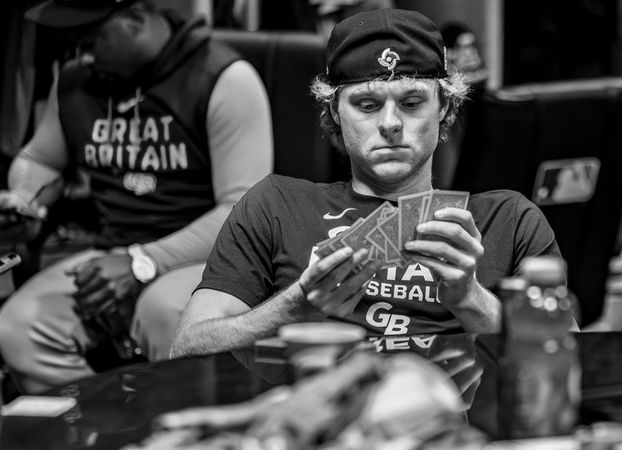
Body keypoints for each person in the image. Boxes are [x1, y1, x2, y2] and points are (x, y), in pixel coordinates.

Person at [170, 8, 560, 358]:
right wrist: (295, 307)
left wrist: (469, 297)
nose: (390, 124)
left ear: (444, 107)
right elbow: (186, 347)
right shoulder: (276, 206)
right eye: (367, 105)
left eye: (411, 103)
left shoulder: (508, 219)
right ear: (333, 111)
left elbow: (566, 352)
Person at [0, 0, 273, 393]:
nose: (82, 54)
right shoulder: (78, 79)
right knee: (19, 328)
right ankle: (105, 429)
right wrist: (28, 198)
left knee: (164, 312)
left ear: (135, 18)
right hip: (116, 249)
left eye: (92, 39)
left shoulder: (224, 78)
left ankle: (192, 429)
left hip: (210, 258)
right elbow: (40, 157)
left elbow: (244, 211)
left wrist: (144, 262)